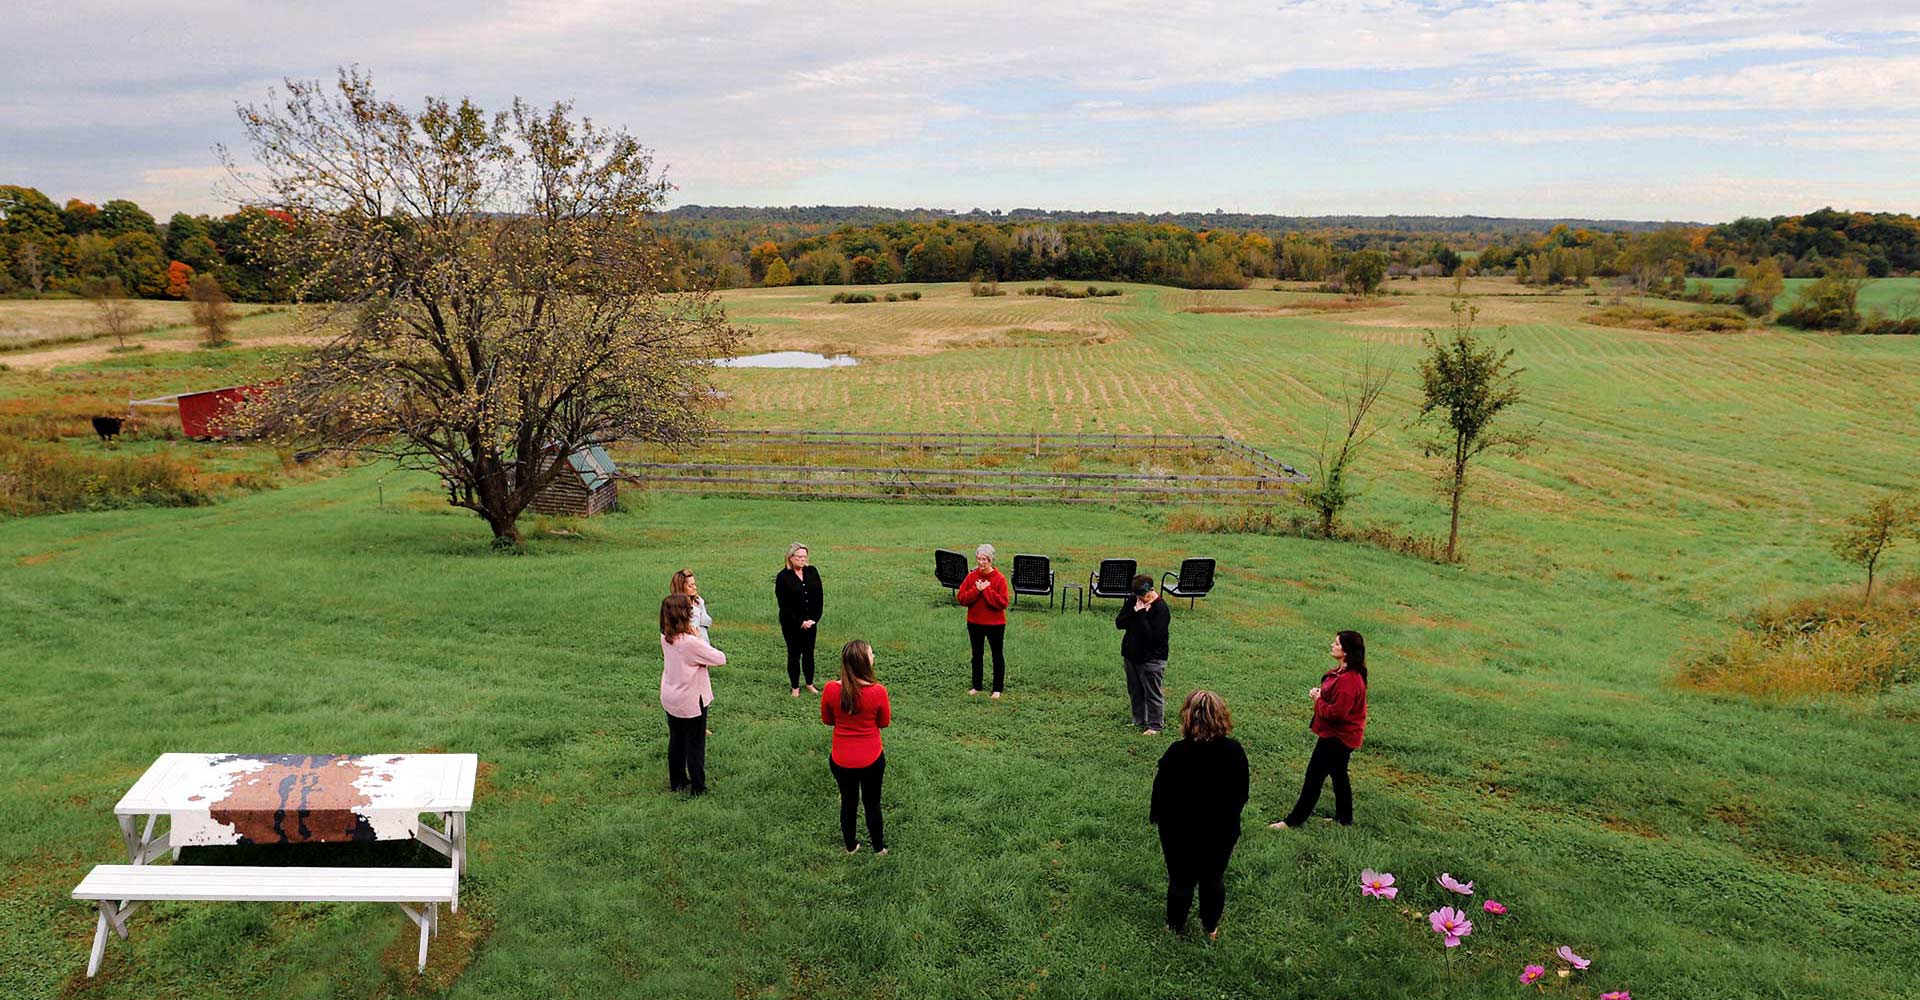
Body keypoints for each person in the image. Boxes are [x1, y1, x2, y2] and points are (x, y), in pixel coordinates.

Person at [1150, 690, 1249, 939]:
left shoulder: (1176, 753)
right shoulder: (1234, 752)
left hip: (1179, 832)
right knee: (1213, 879)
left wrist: (1159, 817)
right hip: (1221, 831)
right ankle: (1210, 928)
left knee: (1180, 880)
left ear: (1187, 718)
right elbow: (1241, 793)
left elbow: (1160, 793)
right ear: (1222, 717)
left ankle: (1175, 927)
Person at [1270, 631, 1369, 830]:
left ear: (1347, 652)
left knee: (1314, 778)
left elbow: (1336, 714)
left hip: (1337, 738)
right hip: (1341, 736)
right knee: (1339, 775)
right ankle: (1344, 818)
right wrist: (1323, 693)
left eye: (1337, 643)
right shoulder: (1343, 673)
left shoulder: (1350, 680)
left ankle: (1293, 822)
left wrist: (1318, 700)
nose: (1332, 645)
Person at [821, 640, 891, 854]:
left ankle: (851, 846)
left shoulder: (831, 689)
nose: (874, 657)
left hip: (841, 759)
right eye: (871, 654)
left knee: (848, 803)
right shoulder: (878, 692)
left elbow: (827, 720)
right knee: (872, 804)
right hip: (871, 758)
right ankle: (879, 849)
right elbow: (884, 722)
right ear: (864, 662)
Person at [659, 593, 726, 795]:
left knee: (677, 740)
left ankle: (677, 781)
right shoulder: (690, 642)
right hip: (691, 700)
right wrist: (698, 638)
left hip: (671, 696)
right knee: (695, 745)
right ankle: (698, 787)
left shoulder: (665, 636)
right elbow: (720, 658)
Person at [1115, 573, 1170, 734]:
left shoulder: (1161, 609)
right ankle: (1139, 720)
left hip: (1152, 658)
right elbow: (1120, 623)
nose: (1142, 599)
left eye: (1144, 596)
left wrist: (1141, 614)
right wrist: (1135, 610)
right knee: (1135, 690)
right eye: (1138, 596)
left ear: (1152, 590)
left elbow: (1152, 637)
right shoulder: (1134, 601)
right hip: (1131, 655)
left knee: (1152, 692)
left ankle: (1155, 725)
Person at [955, 543, 1011, 697]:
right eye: (978, 559)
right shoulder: (972, 576)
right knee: (976, 655)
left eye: (984, 559)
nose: (981, 562)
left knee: (997, 655)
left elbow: (1002, 603)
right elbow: (962, 598)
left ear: (991, 560)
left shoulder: (999, 579)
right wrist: (976, 590)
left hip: (995, 625)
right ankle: (976, 686)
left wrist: (986, 590)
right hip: (974, 623)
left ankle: (997, 689)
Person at [773, 543, 823, 697]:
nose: (802, 559)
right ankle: (795, 686)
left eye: (804, 556)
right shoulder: (783, 577)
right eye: (799, 557)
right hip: (792, 624)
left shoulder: (812, 571)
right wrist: (800, 622)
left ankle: (809, 683)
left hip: (811, 622)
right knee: (794, 654)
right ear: (791, 557)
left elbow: (819, 596)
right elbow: (784, 605)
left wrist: (813, 619)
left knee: (809, 653)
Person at [670, 568, 712, 642]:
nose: (695, 588)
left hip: (704, 645)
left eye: (694, 584)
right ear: (681, 588)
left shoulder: (698, 601)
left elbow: (707, 621)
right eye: (690, 586)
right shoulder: (677, 608)